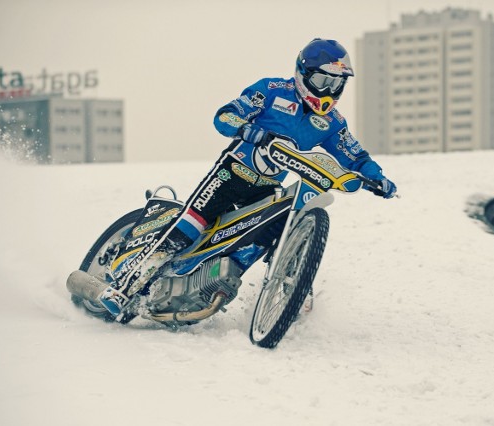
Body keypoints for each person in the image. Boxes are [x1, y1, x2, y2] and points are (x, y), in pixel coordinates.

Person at [99, 38, 397, 318]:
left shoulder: (332, 122)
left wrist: (377, 178)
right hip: (231, 174)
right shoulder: (272, 89)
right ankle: (124, 287)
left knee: (270, 232)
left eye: (337, 84)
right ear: (303, 74)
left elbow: (354, 155)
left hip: (267, 188)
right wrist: (245, 128)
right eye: (323, 81)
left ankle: (288, 291)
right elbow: (225, 115)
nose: (328, 91)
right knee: (191, 225)